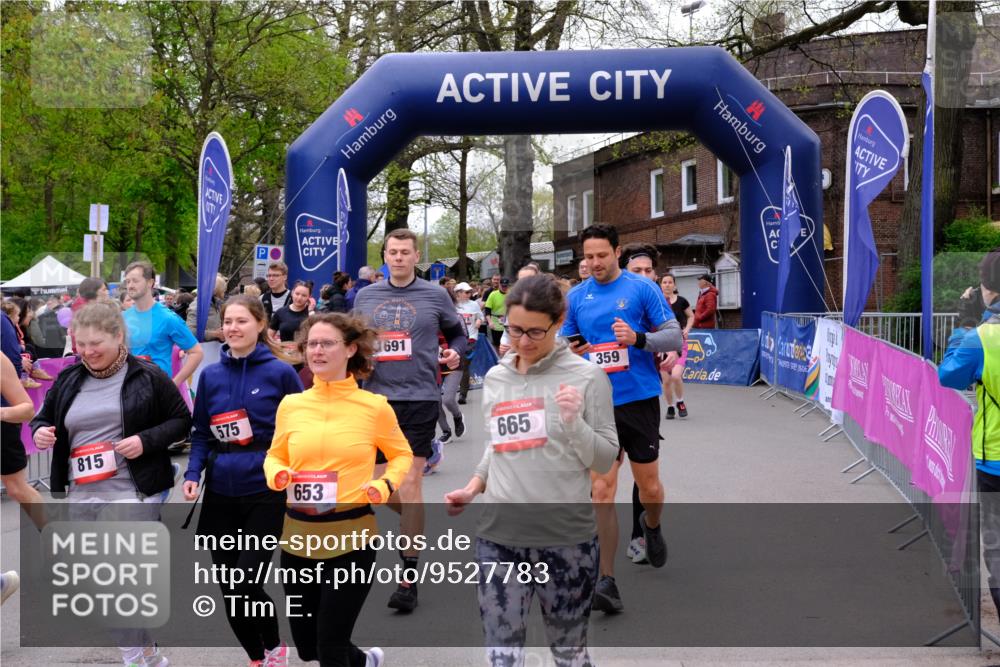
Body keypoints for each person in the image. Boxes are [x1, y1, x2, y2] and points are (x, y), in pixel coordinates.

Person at [445, 275, 619, 667]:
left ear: (559, 322)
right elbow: (499, 445)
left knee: (568, 655)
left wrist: (574, 423)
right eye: (515, 329)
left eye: (535, 332)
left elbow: (605, 459)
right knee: (502, 657)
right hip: (500, 538)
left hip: (566, 540)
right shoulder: (496, 378)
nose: (523, 341)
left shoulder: (587, 377)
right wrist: (474, 486)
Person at [31, 301, 191, 667]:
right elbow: (41, 418)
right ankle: (146, 651)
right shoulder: (70, 378)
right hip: (83, 491)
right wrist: (41, 432)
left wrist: (145, 440)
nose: (88, 352)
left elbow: (181, 420)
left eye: (96, 343)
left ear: (119, 336)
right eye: (81, 344)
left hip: (133, 489)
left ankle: (132, 656)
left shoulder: (147, 376)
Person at [264, 312, 413, 667]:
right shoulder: (292, 405)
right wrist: (278, 474)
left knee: (330, 645)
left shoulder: (373, 407)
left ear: (349, 349)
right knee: (309, 647)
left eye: (327, 343)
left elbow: (401, 454)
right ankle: (364, 662)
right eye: (311, 344)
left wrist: (384, 483)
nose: (317, 350)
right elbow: (274, 455)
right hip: (298, 539)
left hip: (352, 540)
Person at [562, 223, 682, 613]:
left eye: (602, 255)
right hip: (596, 403)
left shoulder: (641, 288)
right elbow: (566, 344)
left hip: (639, 399)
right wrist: (571, 351)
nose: (595, 263)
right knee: (601, 490)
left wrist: (638, 340)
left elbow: (674, 336)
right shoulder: (578, 297)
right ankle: (606, 580)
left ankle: (651, 526)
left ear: (616, 252)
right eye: (589, 256)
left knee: (649, 488)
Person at [184, 296, 302, 667]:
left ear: (260, 325)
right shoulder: (212, 375)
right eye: (229, 322)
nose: (233, 328)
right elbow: (201, 431)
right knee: (229, 588)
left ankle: (273, 645)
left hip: (265, 489)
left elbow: (301, 429)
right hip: (220, 490)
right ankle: (259, 656)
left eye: (241, 321)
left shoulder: (281, 373)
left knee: (245, 579)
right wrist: (192, 474)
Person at [353, 228, 466, 612]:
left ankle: (408, 576)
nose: (398, 258)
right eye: (392, 252)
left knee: (412, 481)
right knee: (378, 484)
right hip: (375, 400)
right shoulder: (365, 296)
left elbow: (457, 333)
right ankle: (415, 520)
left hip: (419, 396)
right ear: (384, 256)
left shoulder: (435, 295)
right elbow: (354, 339)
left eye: (405, 252)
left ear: (416, 256)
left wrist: (454, 356)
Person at [939, 248, 1000, 622]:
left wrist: (966, 324)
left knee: (997, 549)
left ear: (988, 290)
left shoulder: (982, 338)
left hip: (995, 459)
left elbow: (949, 375)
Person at [122, 261, 204, 387]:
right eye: (127, 281)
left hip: (157, 392)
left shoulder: (168, 318)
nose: (130, 285)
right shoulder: (123, 317)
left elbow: (196, 352)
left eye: (135, 281)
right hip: (129, 390)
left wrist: (174, 384)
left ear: (150, 283)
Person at [658, 274, 694, 420]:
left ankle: (680, 402)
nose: (667, 285)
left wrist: (687, 329)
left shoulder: (682, 301)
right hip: (661, 344)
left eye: (670, 282)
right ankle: (670, 406)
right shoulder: (657, 301)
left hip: (679, 342)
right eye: (664, 282)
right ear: (660, 285)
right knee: (666, 381)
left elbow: (691, 316)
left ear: (674, 285)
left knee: (676, 376)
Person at [437, 285, 468, 444]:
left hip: (454, 362)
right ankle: (446, 431)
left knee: (448, 399)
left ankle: (457, 416)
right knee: (434, 401)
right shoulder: (427, 316)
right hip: (434, 364)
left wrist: (453, 350)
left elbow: (463, 338)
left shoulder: (457, 317)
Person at [268, 280, 312, 365]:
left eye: (304, 295)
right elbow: (268, 336)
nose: (299, 298)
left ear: (309, 297)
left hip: (304, 360)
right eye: (297, 294)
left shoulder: (312, 314)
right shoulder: (281, 312)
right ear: (292, 293)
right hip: (284, 358)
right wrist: (277, 347)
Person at [454, 282, 483, 406]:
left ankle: (463, 394)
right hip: (455, 339)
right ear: (458, 293)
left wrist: (478, 321)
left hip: (470, 338)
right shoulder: (451, 305)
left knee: (465, 365)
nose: (468, 294)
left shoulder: (474, 304)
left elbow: (480, 316)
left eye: (469, 292)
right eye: (466, 292)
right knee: (456, 365)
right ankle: (458, 386)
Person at [186, 274, 227, 342]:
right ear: (218, 290)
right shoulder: (197, 307)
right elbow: (189, 332)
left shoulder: (216, 304)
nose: (224, 293)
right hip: (203, 348)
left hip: (215, 347)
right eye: (223, 290)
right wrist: (214, 334)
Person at [484, 277, 510, 349]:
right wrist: (490, 322)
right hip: (495, 322)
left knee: (506, 344)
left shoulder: (511, 294)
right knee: (496, 343)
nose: (504, 288)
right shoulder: (493, 294)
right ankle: (497, 357)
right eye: (503, 286)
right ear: (499, 285)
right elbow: (487, 310)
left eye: (506, 286)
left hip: (508, 322)